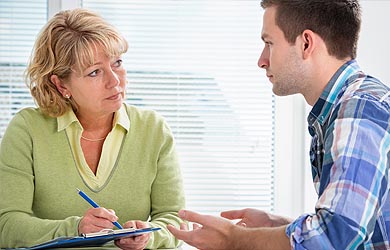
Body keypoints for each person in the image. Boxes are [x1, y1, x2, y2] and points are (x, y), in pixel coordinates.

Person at [167, 0, 390, 249]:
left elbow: (336, 236)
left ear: (306, 43)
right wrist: (275, 225)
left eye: (269, 43)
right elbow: (354, 229)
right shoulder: (344, 108)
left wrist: (232, 239)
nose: (262, 60)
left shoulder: (358, 110)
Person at [0, 8, 185, 250]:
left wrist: (150, 238)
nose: (115, 80)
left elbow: (176, 220)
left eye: (117, 63)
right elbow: (6, 226)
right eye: (95, 72)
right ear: (60, 84)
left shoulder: (154, 130)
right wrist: (75, 230)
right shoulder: (27, 129)